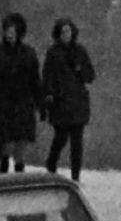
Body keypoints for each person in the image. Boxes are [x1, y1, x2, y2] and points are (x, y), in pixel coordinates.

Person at [0, 14, 43, 170]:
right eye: (7, 30)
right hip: (3, 106)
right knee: (6, 143)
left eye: (13, 30)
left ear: (19, 32)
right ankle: (4, 168)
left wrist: (40, 104)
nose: (10, 34)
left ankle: (19, 172)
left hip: (23, 104)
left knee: (21, 143)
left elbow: (35, 81)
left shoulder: (29, 54)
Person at [40, 18, 97, 178]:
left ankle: (75, 176)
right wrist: (49, 94)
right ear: (58, 33)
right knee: (61, 138)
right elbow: (47, 76)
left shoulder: (80, 51)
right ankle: (52, 163)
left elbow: (90, 76)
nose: (66, 34)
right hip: (61, 102)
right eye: (63, 31)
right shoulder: (53, 53)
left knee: (77, 143)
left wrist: (80, 69)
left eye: (69, 31)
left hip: (78, 102)